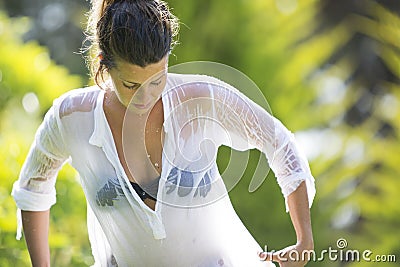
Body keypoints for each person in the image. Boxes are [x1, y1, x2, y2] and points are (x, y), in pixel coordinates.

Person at [12, 0, 316, 266]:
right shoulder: (72, 117)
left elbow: (281, 143)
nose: (147, 98)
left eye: (157, 80)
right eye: (131, 85)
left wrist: (304, 239)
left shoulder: (201, 99)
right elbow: (32, 188)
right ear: (104, 66)